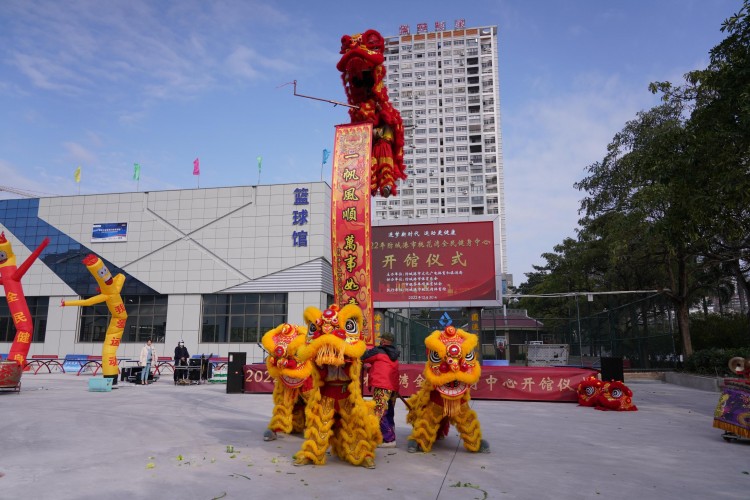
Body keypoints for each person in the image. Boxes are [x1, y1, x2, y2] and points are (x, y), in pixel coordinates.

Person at [362, 332, 400, 447]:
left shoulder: (378, 350)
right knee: (389, 412)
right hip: (393, 387)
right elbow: (381, 367)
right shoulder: (394, 353)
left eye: (381, 339)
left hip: (382, 386)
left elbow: (364, 357)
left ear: (383, 341)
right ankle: (390, 433)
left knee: (380, 411)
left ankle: (388, 439)